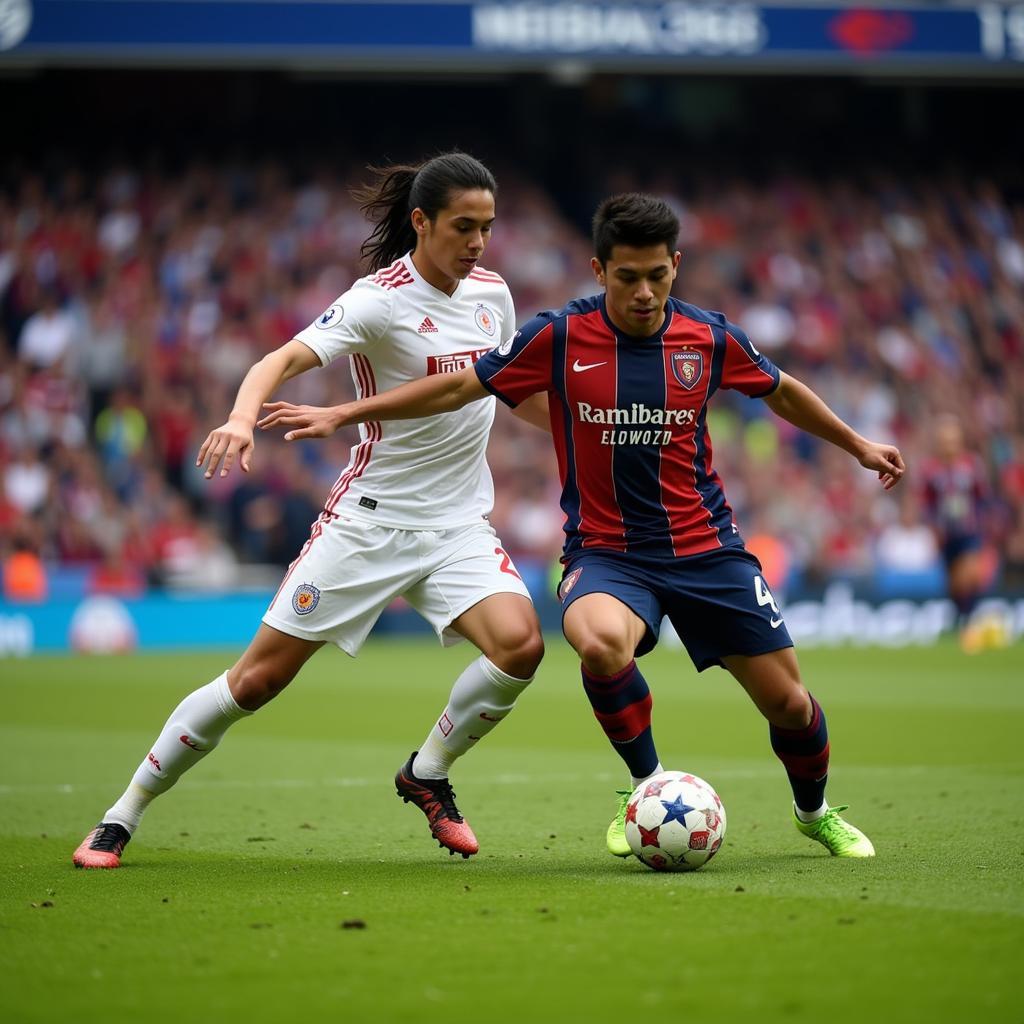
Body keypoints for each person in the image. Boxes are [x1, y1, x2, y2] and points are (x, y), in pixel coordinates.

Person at [259, 193, 907, 860]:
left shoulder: (707, 337)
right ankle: (645, 786)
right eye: (628, 277)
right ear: (599, 272)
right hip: (608, 556)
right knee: (598, 643)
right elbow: (458, 386)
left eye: (658, 275)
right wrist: (347, 411)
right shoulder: (559, 337)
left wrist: (857, 445)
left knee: (791, 705)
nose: (645, 292)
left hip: (708, 550)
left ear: (676, 266)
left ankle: (814, 811)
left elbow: (783, 389)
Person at [73, 152, 545, 869]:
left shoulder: (493, 295)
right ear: (421, 222)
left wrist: (589, 429)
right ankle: (122, 812)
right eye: (463, 226)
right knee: (255, 682)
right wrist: (239, 418)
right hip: (369, 522)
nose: (478, 242)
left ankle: (427, 772)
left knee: (521, 647)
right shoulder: (378, 299)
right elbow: (277, 361)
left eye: (486, 226)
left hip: (456, 528)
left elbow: (504, 389)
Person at [920, 415, 995, 651]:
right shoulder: (930, 470)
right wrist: (933, 530)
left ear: (959, 441)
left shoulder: (972, 465)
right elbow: (927, 503)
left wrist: (985, 524)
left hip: (969, 531)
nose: (948, 445)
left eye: (952, 441)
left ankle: (968, 626)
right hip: (946, 536)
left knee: (968, 576)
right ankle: (959, 621)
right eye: (944, 441)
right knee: (954, 584)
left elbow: (982, 498)